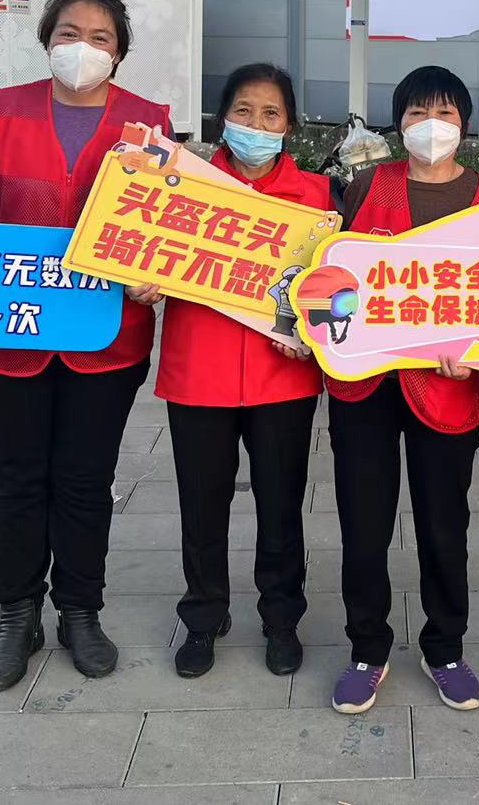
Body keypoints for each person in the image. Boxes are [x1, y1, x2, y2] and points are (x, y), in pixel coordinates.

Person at [0, 0, 169, 692]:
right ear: (47, 40)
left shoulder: (150, 125)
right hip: (5, 335)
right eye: (70, 33)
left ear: (120, 53)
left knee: (85, 479)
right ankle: (17, 614)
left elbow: (169, 225)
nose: (83, 48)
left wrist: (155, 276)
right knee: (15, 476)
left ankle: (80, 610)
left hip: (106, 336)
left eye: (101, 38)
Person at [326, 66, 479, 716]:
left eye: (445, 114)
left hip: (446, 390)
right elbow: (331, 275)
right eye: (416, 113)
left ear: (465, 124)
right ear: (398, 121)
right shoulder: (367, 186)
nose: (431, 126)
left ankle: (446, 648)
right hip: (365, 386)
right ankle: (366, 649)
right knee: (363, 524)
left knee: (443, 526)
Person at [154, 64, 329, 681]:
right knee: (201, 505)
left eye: (271, 114)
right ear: (223, 118)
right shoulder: (182, 186)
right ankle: (204, 615)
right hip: (198, 370)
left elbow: (336, 291)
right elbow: (139, 248)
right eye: (244, 111)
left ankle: (281, 618)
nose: (257, 124)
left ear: (289, 126)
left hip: (282, 377)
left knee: (281, 506)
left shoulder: (318, 198)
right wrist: (141, 281)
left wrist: (315, 335)